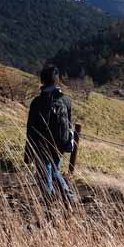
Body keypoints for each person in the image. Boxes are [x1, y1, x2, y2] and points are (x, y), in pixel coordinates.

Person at [25, 64, 78, 205]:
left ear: (42, 81)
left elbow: (30, 129)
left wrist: (28, 154)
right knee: (54, 169)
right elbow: (69, 124)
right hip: (59, 144)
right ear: (57, 80)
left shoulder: (37, 102)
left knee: (44, 172)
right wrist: (68, 143)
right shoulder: (65, 100)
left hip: (41, 144)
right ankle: (68, 196)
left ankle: (49, 201)